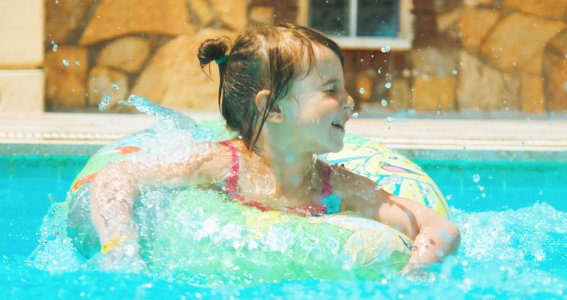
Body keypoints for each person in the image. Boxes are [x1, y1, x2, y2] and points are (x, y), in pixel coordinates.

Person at [87, 23, 460, 274]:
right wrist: (122, 248)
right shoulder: (220, 164)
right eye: (331, 90)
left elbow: (438, 227)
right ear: (274, 108)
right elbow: (115, 176)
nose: (350, 101)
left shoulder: (337, 188)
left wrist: (415, 276)